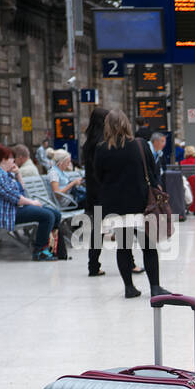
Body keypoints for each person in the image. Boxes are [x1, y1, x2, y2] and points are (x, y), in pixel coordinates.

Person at [92, 109, 170, 299]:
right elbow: (151, 173)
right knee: (148, 247)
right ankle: (155, 287)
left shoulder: (101, 149)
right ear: (127, 124)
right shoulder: (140, 145)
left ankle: (129, 287)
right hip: (141, 204)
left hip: (115, 206)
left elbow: (98, 177)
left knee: (123, 247)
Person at [0, 143, 61, 261]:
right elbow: (14, 197)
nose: (13, 160)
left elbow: (21, 191)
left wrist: (18, 174)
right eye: (11, 158)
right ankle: (39, 251)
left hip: (15, 209)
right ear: (4, 160)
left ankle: (51, 248)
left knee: (55, 214)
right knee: (47, 215)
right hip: (7, 214)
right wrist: (33, 203)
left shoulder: (5, 174)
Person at [80, 106, 110, 277]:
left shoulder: (88, 144)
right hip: (106, 191)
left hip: (93, 192)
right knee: (122, 226)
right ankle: (131, 263)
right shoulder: (103, 144)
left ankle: (93, 265)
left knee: (97, 230)